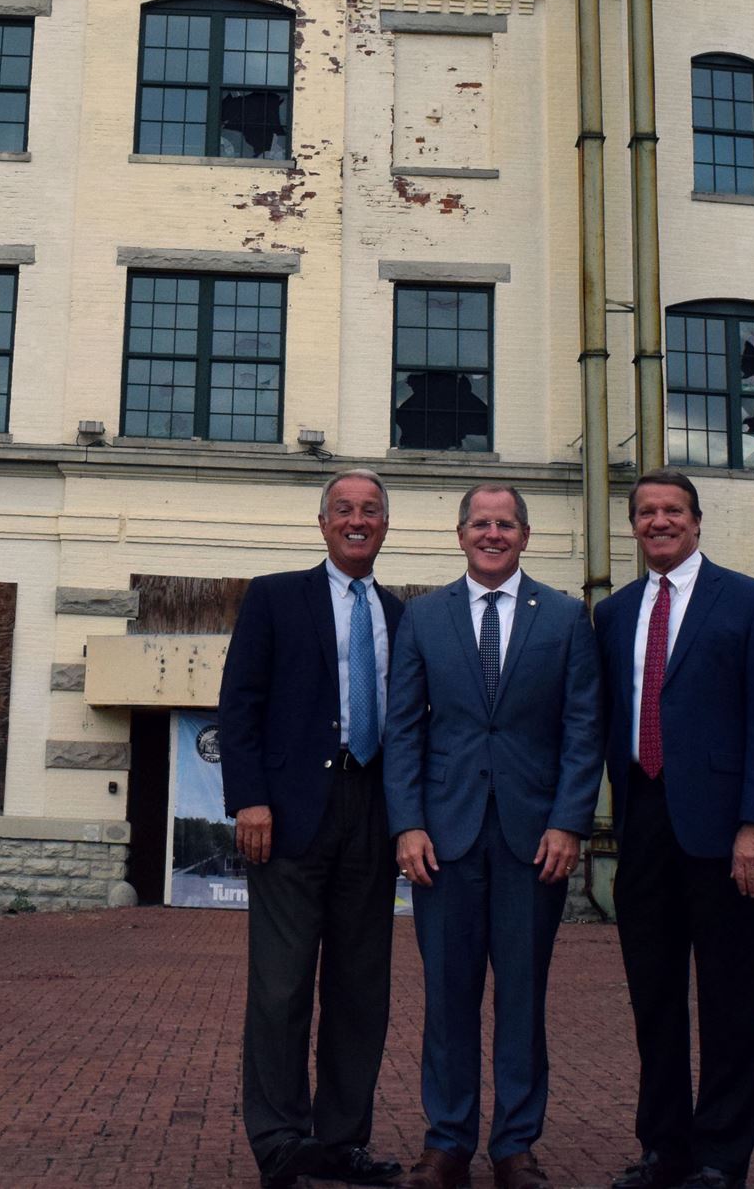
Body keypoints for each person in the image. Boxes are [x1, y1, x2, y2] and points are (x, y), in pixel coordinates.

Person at [382, 485, 603, 1189]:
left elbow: (582, 730)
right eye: (481, 522)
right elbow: (404, 730)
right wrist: (407, 823)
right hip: (442, 839)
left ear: (526, 535)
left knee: (521, 997)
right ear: (460, 533)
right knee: (447, 996)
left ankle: (515, 1146)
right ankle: (446, 1143)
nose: (493, 533)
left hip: (532, 838)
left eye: (505, 523)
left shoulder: (567, 617)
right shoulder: (423, 615)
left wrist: (570, 820)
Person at [593, 469, 754, 1189]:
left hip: (723, 834)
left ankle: (719, 1156)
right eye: (645, 511)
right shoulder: (614, 614)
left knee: (729, 998)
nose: (658, 521)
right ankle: (664, 1147)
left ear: (697, 520)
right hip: (644, 825)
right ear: (633, 525)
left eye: (671, 509)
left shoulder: (749, 602)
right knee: (654, 996)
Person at [217, 470, 410, 1189]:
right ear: (322, 522)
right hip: (289, 814)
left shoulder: (400, 614)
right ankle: (280, 1141)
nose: (356, 520)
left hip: (374, 815)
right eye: (343, 510)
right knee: (281, 986)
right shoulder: (273, 597)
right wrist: (249, 799)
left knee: (362, 989)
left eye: (370, 511)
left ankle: (341, 1141)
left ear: (385, 525)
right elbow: (239, 704)